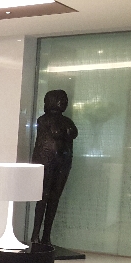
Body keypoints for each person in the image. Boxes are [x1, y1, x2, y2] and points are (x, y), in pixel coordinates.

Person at [31, 89, 78, 246]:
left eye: (65, 100)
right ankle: (35, 235)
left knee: (54, 198)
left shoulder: (67, 121)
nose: (64, 102)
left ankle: (46, 236)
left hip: (62, 162)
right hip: (47, 162)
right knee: (43, 197)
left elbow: (72, 133)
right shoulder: (44, 120)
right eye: (60, 99)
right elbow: (54, 135)